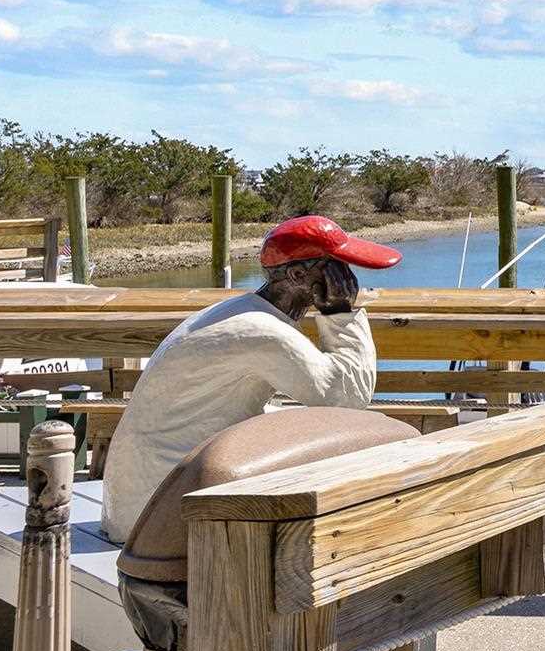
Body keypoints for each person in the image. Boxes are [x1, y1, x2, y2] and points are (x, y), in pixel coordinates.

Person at [99, 214, 400, 543]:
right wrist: (339, 311)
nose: (348, 278)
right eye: (336, 268)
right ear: (298, 275)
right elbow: (347, 398)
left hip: (141, 498)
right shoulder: (263, 331)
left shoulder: (240, 312)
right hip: (158, 517)